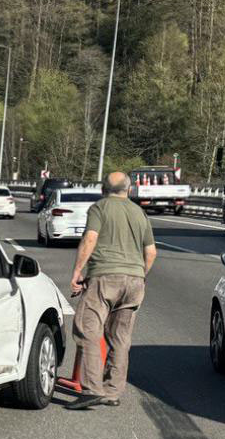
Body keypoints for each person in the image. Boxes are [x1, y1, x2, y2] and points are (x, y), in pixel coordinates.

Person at [66, 172, 157, 410]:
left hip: (105, 278)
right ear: (129, 189)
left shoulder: (100, 208)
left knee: (87, 330)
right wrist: (139, 274)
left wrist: (77, 271)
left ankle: (91, 389)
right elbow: (151, 253)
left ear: (103, 189)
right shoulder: (140, 213)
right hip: (136, 281)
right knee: (120, 339)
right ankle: (112, 391)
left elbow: (90, 239)